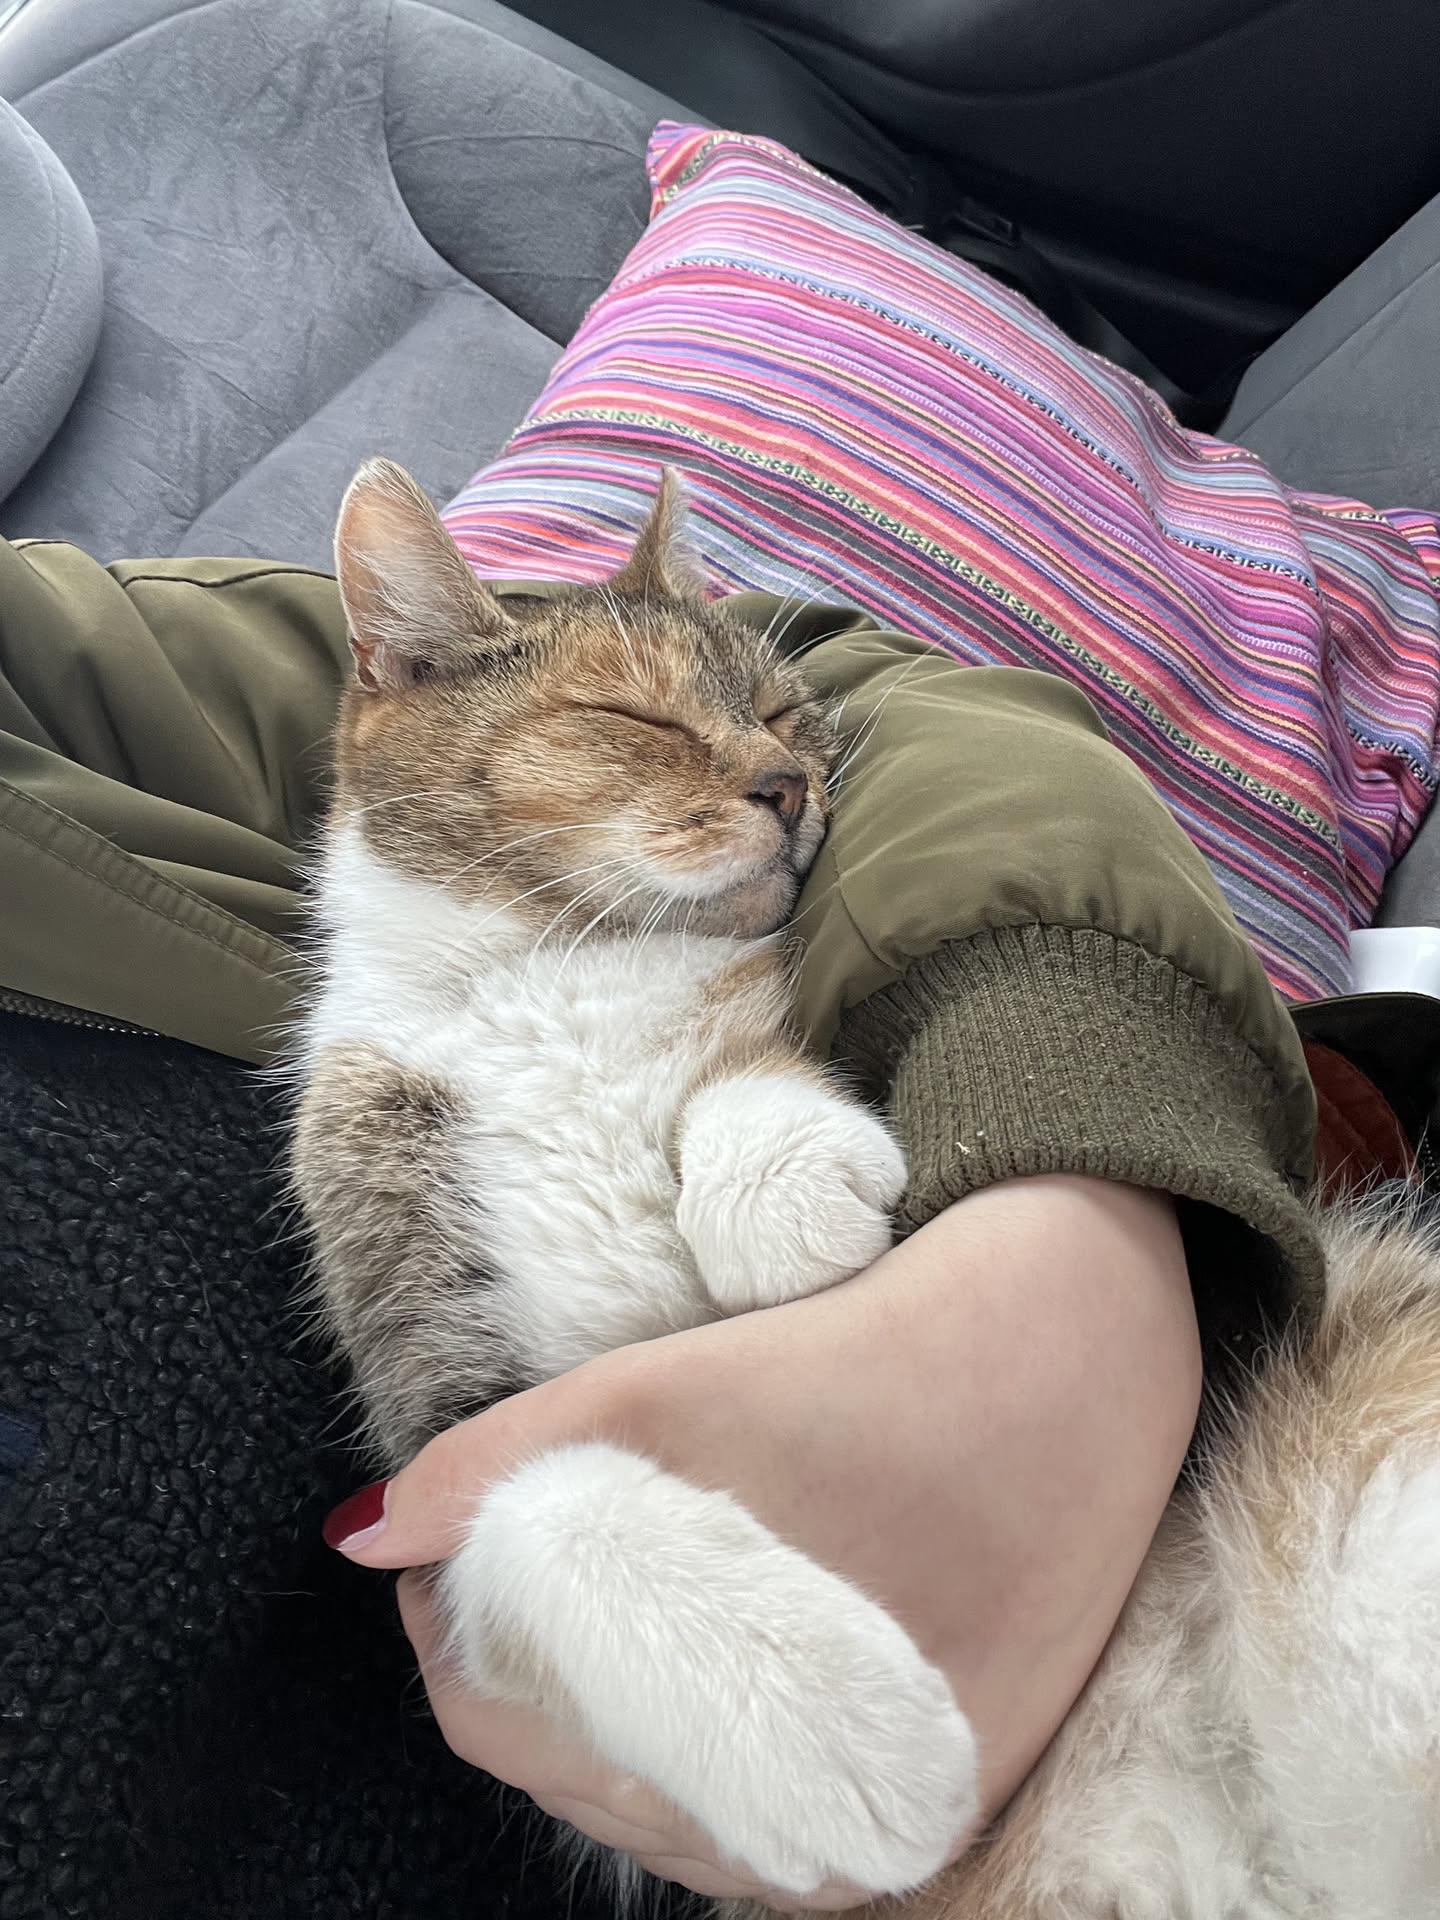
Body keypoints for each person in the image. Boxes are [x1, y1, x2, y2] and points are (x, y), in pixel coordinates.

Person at [0, 534, 1318, 1911]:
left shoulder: (64, 653)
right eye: (642, 728)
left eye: (780, 735)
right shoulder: (372, 1096)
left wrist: (1071, 1222)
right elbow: (476, 1491)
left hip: (1255, 1490)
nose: (774, 776)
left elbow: (890, 692)